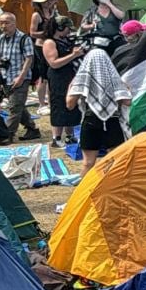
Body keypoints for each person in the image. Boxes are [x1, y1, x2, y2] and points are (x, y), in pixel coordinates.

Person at [67, 41, 130, 171]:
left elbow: (70, 104)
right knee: (114, 161)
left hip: (91, 120)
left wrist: (72, 86)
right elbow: (127, 101)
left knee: (88, 163)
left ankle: (85, 191)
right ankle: (113, 189)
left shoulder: (82, 79)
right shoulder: (114, 78)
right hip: (112, 120)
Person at [0, 12, 39, 140]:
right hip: (5, 77)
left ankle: (8, 134)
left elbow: (29, 59)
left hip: (21, 77)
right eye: (1, 23)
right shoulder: (0, 39)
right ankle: (32, 129)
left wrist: (21, 77)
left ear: (14, 23)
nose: (3, 26)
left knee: (14, 107)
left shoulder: (24, 38)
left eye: (6, 23)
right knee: (18, 105)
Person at [39, 13, 83, 146]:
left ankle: (70, 135)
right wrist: (73, 55)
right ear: (59, 28)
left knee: (71, 104)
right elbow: (54, 63)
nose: (69, 31)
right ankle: (56, 138)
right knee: (59, 104)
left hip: (70, 74)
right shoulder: (49, 42)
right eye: (67, 28)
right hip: (58, 76)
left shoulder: (66, 40)